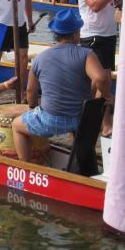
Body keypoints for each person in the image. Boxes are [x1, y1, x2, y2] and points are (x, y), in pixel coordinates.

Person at [12, 9, 112, 161]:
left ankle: (25, 167)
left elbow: (31, 90)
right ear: (75, 34)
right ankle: (81, 163)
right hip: (79, 118)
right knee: (81, 130)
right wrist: (105, 95)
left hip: (50, 119)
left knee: (16, 126)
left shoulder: (40, 58)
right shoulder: (86, 54)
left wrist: (33, 108)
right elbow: (101, 78)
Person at [76, 0, 122, 136]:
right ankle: (105, 124)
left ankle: (95, 123)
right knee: (100, 81)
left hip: (109, 35)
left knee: (102, 81)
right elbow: (94, 5)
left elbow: (118, 3)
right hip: (92, 36)